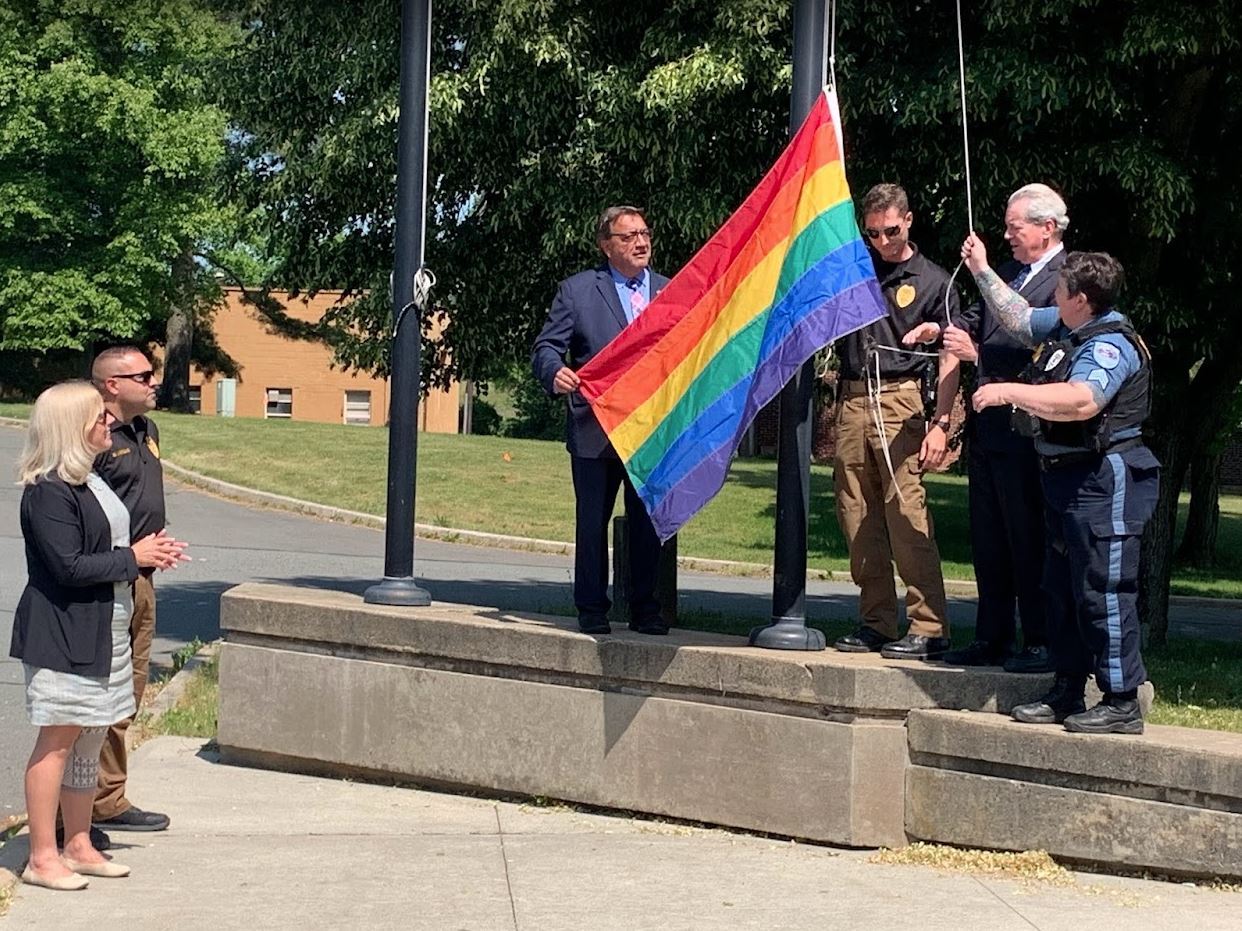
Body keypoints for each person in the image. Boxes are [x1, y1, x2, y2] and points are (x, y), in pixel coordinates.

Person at [961, 234, 1158, 734]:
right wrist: (983, 269)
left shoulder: (1109, 344)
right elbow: (1019, 319)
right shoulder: (1070, 327)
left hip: (1104, 481)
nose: (1054, 296)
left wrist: (1010, 391)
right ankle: (1068, 688)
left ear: (1080, 299)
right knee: (1062, 590)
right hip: (1065, 479)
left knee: (1104, 591)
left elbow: (1083, 400)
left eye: (1062, 288)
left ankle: (1120, 700)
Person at [12, 382, 186, 890]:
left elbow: (104, 544)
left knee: (90, 740)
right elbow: (67, 566)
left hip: (103, 626)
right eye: (96, 418)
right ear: (71, 427)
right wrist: (135, 558)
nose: (106, 423)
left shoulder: (89, 480)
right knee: (59, 740)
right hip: (63, 632)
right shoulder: (48, 489)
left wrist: (146, 547)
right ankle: (42, 857)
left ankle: (79, 844)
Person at [938, 184, 1068, 673]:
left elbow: (1040, 343)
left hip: (1027, 430)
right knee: (989, 538)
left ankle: (1039, 639)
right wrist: (944, 331)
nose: (1008, 235)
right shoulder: (1011, 271)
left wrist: (980, 354)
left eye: (1016, 227)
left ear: (1046, 228)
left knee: (1027, 537)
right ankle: (991, 636)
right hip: (988, 430)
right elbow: (978, 318)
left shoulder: (1065, 278)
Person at [831, 183, 960, 660]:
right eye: (872, 234)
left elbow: (951, 356)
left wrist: (941, 422)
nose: (882, 242)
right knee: (856, 515)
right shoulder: (855, 271)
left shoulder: (933, 280)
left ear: (908, 221)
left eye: (889, 231)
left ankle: (929, 625)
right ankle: (877, 622)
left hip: (901, 399)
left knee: (906, 513)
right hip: (851, 397)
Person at [532, 206, 670, 635]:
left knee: (649, 523)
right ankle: (592, 608)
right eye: (628, 236)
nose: (640, 242)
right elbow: (545, 348)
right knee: (592, 522)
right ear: (605, 245)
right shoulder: (577, 292)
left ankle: (646, 608)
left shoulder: (671, 292)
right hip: (595, 427)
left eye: (644, 233)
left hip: (651, 429)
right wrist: (553, 372)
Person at [88, 346, 177, 838]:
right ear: (112, 385)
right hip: (106, 581)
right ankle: (72, 812)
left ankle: (108, 798)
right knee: (93, 700)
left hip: (144, 579)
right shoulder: (93, 435)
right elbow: (79, 515)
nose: (153, 381)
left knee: (128, 694)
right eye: (143, 376)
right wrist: (130, 552)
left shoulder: (147, 430)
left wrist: (158, 545)